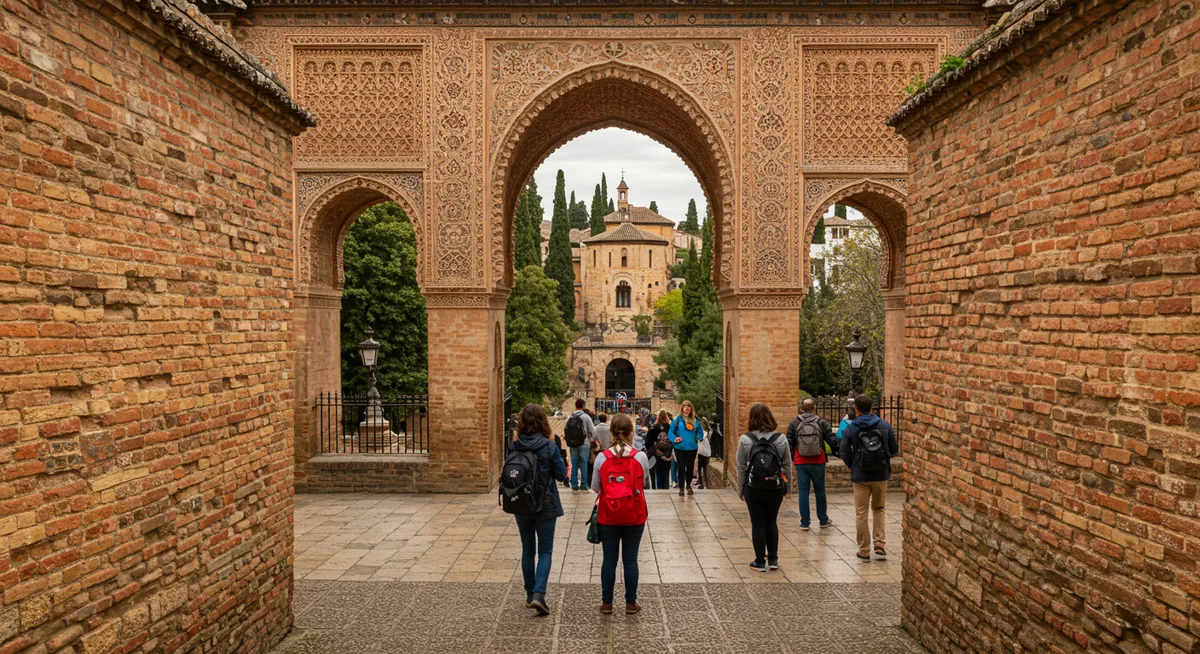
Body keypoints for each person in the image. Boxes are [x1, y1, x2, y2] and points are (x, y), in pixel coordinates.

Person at [508, 404, 568, 614]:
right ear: (543, 421)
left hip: (521, 503)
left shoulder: (514, 446)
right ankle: (539, 594)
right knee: (545, 551)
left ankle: (529, 593)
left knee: (527, 550)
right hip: (545, 503)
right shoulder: (549, 446)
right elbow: (561, 475)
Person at [591, 414, 650, 614]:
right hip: (634, 514)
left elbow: (594, 487)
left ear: (612, 433)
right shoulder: (640, 456)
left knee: (609, 559)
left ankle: (607, 603)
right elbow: (644, 484)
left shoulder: (602, 457)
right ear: (631, 433)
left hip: (608, 514)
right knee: (630, 559)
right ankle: (630, 603)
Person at [839, 394, 899, 562]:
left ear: (856, 409)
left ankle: (864, 549)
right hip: (880, 474)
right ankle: (879, 544)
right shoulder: (884, 425)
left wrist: (854, 465)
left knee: (861, 512)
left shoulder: (851, 428)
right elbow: (894, 449)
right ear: (872, 408)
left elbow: (843, 451)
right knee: (879, 508)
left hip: (860, 476)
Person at [736, 403, 790, 572]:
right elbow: (787, 465)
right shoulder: (780, 439)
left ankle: (760, 561)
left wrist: (741, 488)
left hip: (754, 488)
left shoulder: (745, 440)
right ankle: (773, 560)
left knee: (758, 523)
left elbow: (741, 467)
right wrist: (787, 487)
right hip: (774, 487)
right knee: (771, 522)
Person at [786, 398, 839, 530]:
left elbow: (789, 443)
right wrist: (838, 451)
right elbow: (831, 438)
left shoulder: (794, 423)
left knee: (803, 492)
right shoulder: (820, 422)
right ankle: (823, 519)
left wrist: (792, 458)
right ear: (814, 408)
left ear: (801, 408)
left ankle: (805, 522)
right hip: (818, 460)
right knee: (820, 491)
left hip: (801, 461)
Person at [669, 401, 705, 496]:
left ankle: (688, 485)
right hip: (679, 447)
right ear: (682, 409)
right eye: (685, 407)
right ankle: (681, 487)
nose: (687, 409)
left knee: (690, 467)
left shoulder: (695, 421)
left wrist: (699, 437)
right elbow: (670, 432)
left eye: (689, 407)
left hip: (692, 448)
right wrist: (675, 438)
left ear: (691, 410)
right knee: (681, 467)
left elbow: (700, 432)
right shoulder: (677, 420)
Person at [564, 398, 596, 491]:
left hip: (572, 443)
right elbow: (593, 432)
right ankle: (584, 484)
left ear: (575, 405)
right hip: (584, 444)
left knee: (574, 463)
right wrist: (591, 440)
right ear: (583, 406)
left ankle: (574, 484)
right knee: (583, 463)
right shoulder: (586, 417)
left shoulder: (570, 416)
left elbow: (566, 429)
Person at [646, 410, 673, 490]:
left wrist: (656, 452)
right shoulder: (670, 428)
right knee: (666, 475)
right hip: (667, 455)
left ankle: (659, 493)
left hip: (657, 456)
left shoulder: (653, 428)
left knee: (658, 475)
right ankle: (666, 492)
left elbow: (647, 443)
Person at [696, 417, 712, 489]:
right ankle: (707, 484)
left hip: (702, 453)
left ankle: (701, 483)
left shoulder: (702, 433)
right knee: (705, 469)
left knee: (700, 468)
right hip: (707, 453)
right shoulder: (709, 431)